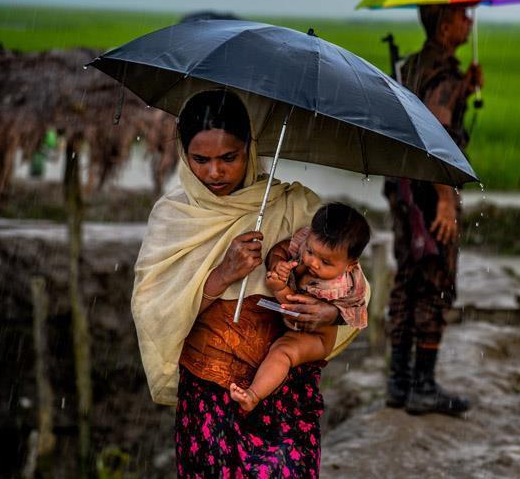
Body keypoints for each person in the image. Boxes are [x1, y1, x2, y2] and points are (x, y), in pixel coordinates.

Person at [131, 90, 359, 478]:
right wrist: (222, 274)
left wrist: (328, 310)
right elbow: (153, 312)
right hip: (209, 393)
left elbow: (352, 281)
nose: (215, 173)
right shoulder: (175, 218)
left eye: (228, 158)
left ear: (249, 150)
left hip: (284, 392)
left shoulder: (292, 207)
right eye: (200, 160)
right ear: (184, 156)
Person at [383, 4, 483, 416]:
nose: (470, 22)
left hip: (404, 188)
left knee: (408, 276)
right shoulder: (442, 74)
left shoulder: (413, 66)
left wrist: (466, 88)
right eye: (463, 16)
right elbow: (436, 134)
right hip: (429, 192)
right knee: (435, 280)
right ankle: (422, 384)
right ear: (445, 25)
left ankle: (400, 382)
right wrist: (445, 197)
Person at [231, 202, 371, 411]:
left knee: (282, 351)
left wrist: (278, 287)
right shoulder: (306, 242)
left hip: (315, 337)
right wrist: (278, 262)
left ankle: (253, 395)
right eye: (310, 252)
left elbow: (293, 306)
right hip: (291, 321)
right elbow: (283, 247)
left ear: (350, 265)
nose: (313, 263)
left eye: (325, 262)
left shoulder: (339, 286)